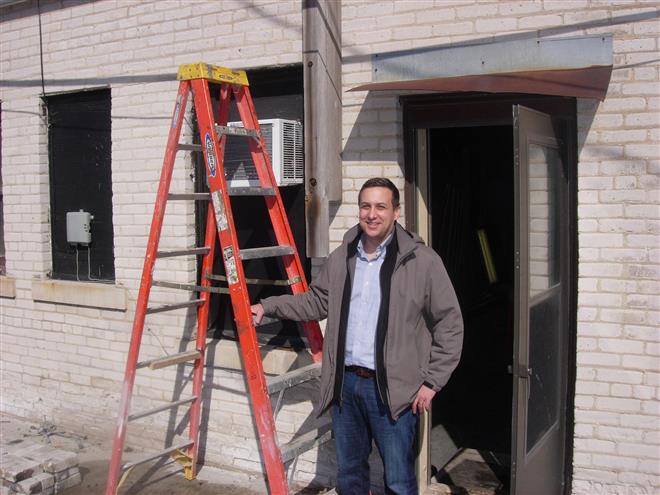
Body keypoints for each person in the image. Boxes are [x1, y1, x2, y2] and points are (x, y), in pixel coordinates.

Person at [251, 178, 463, 495]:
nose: (372, 214)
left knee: (398, 481)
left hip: (394, 389)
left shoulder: (423, 262)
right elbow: (315, 301)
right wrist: (267, 307)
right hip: (346, 386)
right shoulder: (343, 258)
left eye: (381, 206)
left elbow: (449, 323)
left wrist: (432, 382)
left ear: (396, 212)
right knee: (349, 476)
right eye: (366, 206)